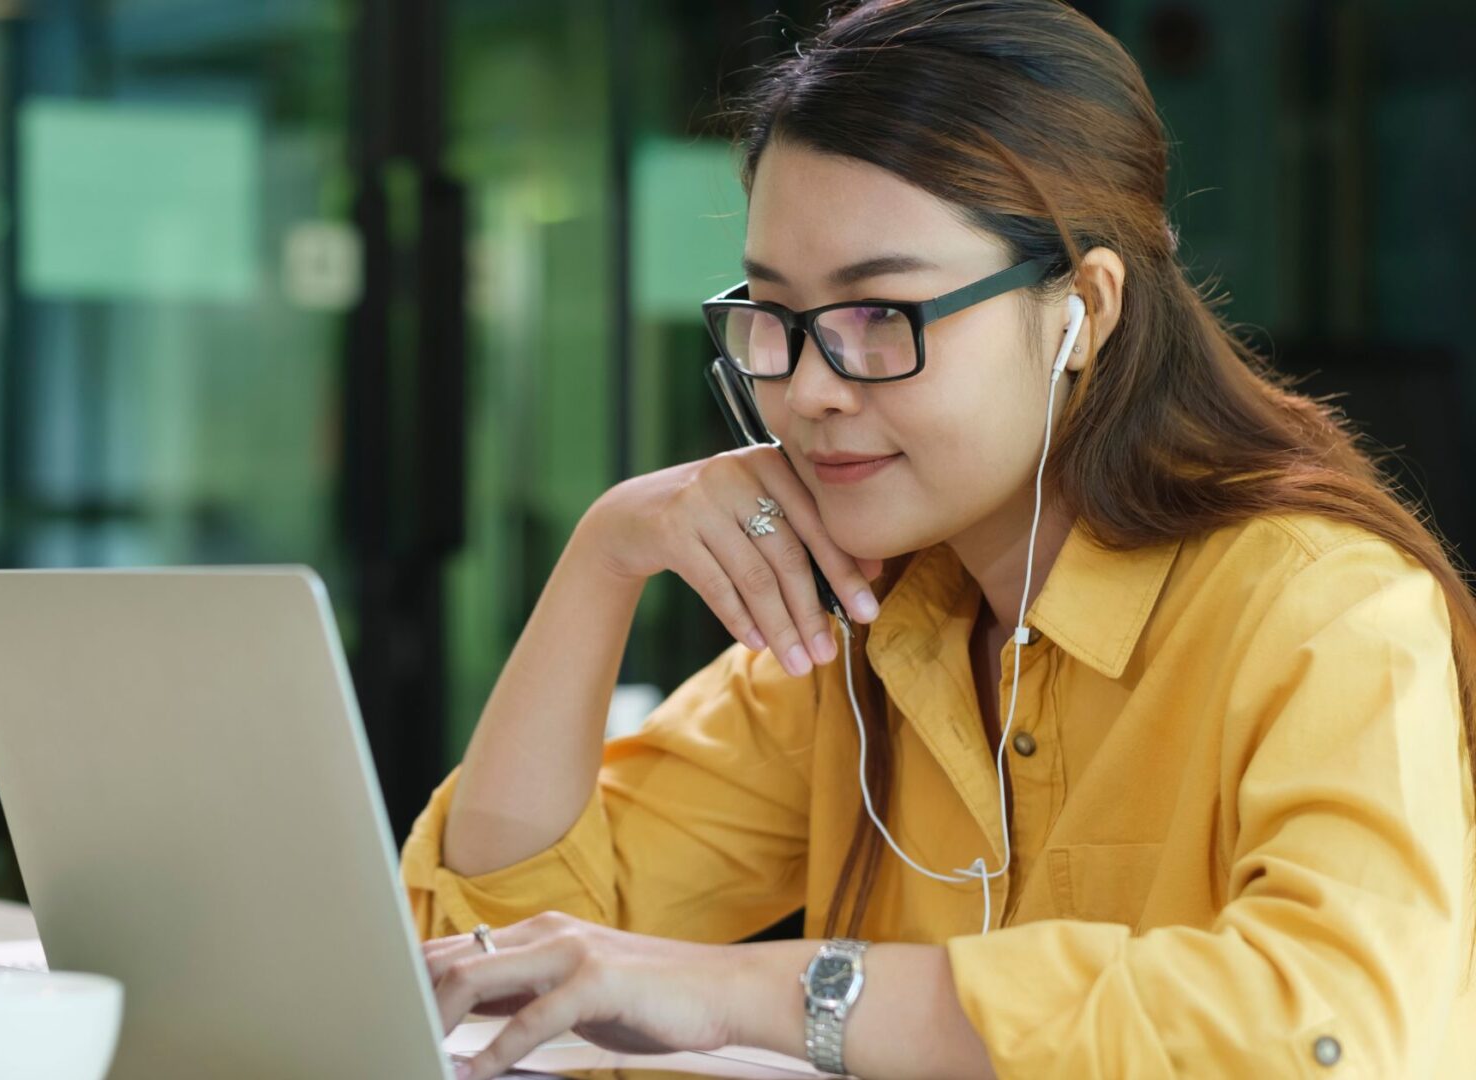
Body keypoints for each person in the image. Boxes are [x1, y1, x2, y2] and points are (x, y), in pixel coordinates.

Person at [400, 1, 1476, 1077]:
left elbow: (1333, 1033)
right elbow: (489, 948)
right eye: (774, 314)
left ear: (1082, 312)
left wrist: (768, 990)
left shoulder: (1326, 613)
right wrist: (605, 558)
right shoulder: (873, 622)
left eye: (882, 315)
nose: (809, 387)